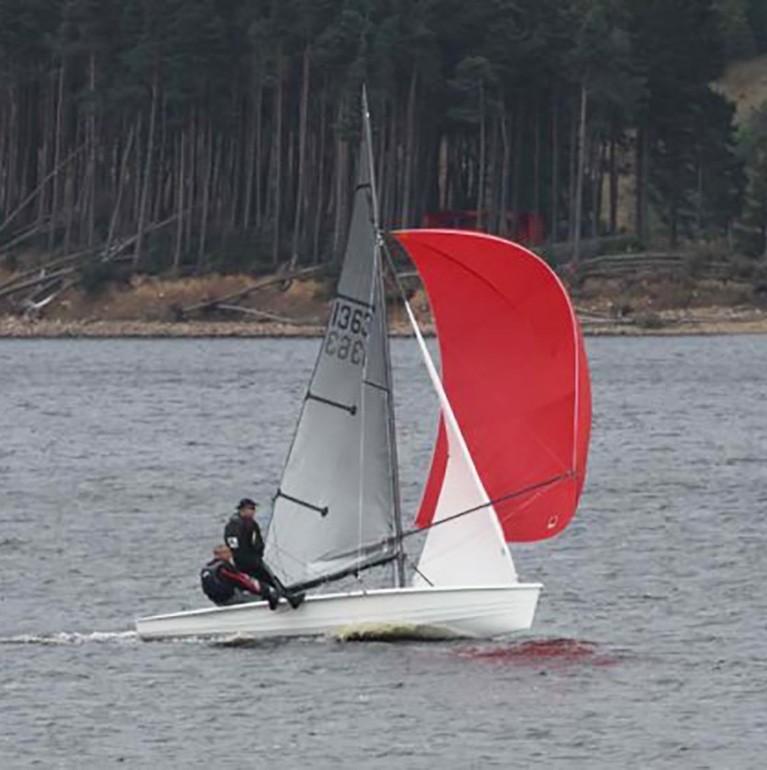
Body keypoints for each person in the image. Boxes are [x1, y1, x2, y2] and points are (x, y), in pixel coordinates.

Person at [224, 498, 305, 609]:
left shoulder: (230, 525)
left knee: (253, 584)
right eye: (252, 509)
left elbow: (231, 544)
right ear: (244, 509)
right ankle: (290, 599)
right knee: (271, 580)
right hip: (252, 560)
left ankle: (267, 601)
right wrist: (258, 554)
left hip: (238, 562)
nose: (254, 512)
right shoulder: (249, 524)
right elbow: (256, 544)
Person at [200, 544, 279, 609]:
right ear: (220, 554)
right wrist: (265, 590)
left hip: (217, 600)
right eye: (227, 552)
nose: (230, 555)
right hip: (230, 597)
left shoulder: (207, 567)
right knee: (259, 598)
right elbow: (242, 581)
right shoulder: (223, 567)